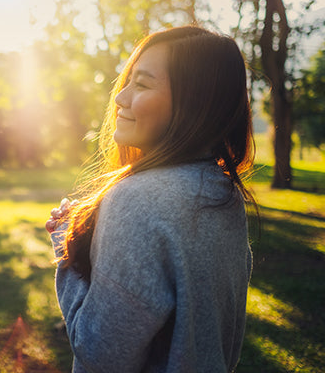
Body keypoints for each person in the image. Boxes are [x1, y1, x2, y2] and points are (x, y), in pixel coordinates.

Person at [46, 25, 257, 373]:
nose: (120, 98)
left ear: (195, 103)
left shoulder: (137, 201)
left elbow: (100, 355)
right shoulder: (222, 193)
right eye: (127, 80)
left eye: (141, 84)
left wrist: (65, 255)